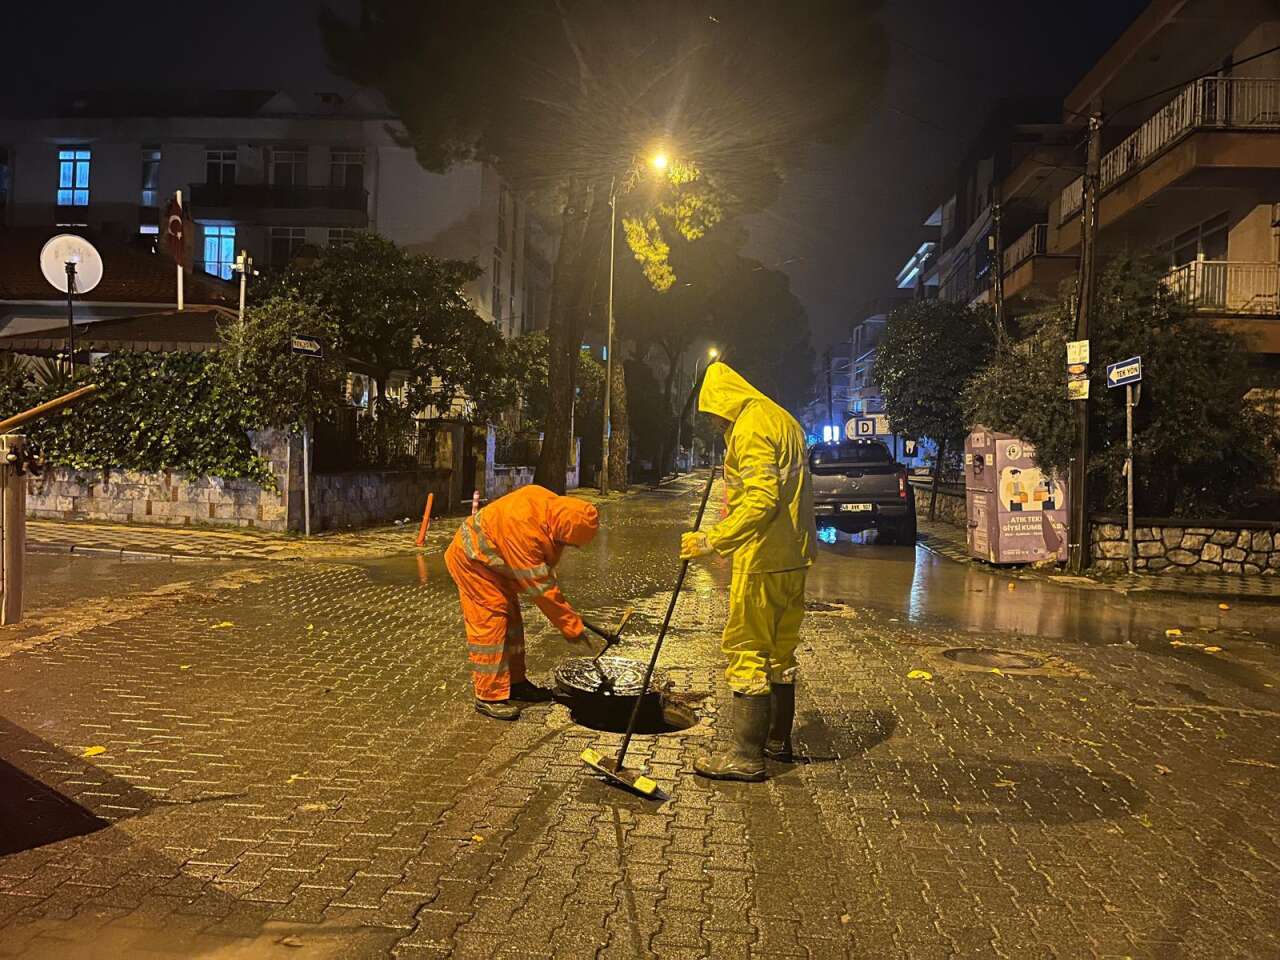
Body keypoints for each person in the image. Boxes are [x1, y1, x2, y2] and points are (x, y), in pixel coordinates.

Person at [681, 362, 817, 781]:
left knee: (747, 650)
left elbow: (761, 500)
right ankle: (777, 741)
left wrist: (712, 540)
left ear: (723, 400)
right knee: (780, 653)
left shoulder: (751, 426)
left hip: (763, 558)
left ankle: (746, 755)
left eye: (712, 413)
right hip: (795, 555)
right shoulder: (784, 419)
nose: (713, 421)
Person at [445, 484, 599, 721]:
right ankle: (488, 695)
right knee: (492, 622)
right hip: (472, 562)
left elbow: (541, 568)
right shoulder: (525, 528)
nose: (568, 547)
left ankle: (516, 683)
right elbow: (540, 587)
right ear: (564, 528)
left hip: (493, 563)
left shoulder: (549, 506)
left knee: (513, 623)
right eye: (569, 542)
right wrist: (570, 625)